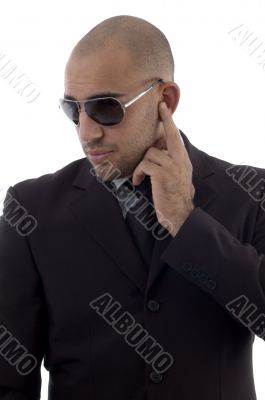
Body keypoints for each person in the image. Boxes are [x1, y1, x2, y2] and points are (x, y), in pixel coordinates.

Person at [0, 14, 265, 400]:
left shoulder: (250, 193)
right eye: (74, 109)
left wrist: (186, 220)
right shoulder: (32, 210)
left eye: (106, 107)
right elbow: (8, 382)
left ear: (166, 101)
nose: (87, 132)